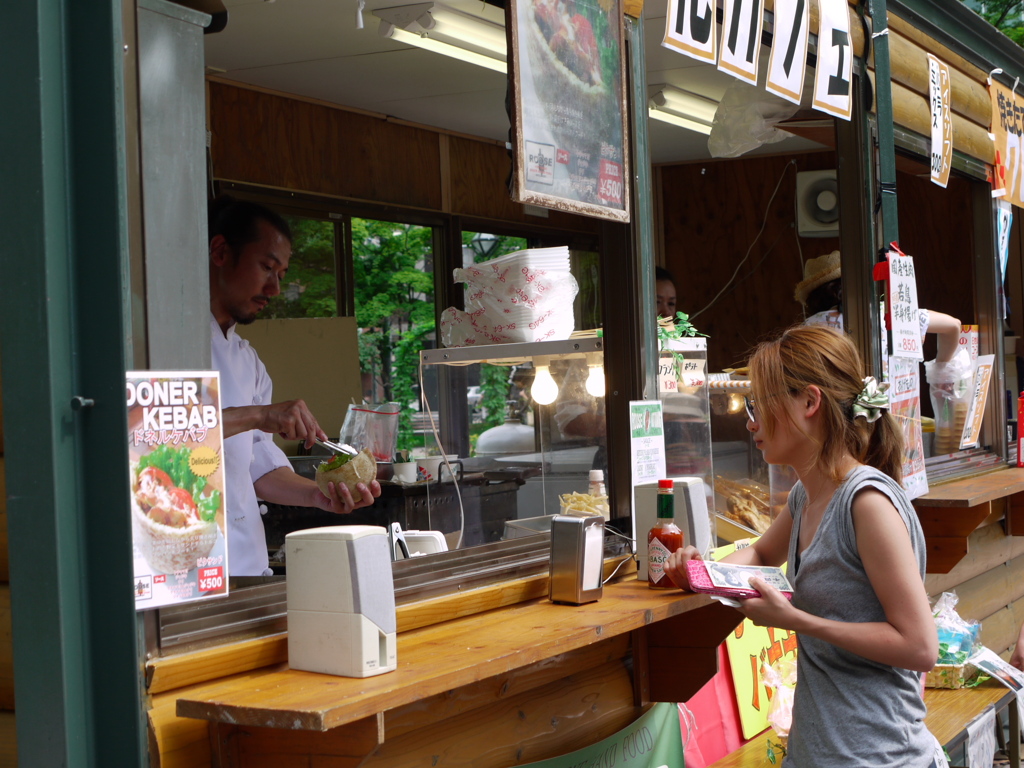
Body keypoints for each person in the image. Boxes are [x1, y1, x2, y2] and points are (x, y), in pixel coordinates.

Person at [664, 325, 938, 768]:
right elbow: (759, 554)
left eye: (758, 404)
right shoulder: (806, 494)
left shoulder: (865, 502)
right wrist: (703, 574)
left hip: (882, 757)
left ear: (810, 402)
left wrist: (798, 621)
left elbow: (920, 647)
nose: (749, 420)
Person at [208, 196, 381, 576]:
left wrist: (317, 497)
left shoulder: (248, 361)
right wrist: (259, 414)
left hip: (247, 569)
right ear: (220, 251)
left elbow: (257, 467)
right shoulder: (160, 343)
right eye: (266, 267)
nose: (274, 288)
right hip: (188, 574)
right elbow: (159, 433)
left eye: (281, 275)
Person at [794, 250, 961, 363]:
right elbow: (953, 325)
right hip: (898, 408)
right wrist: (941, 369)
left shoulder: (804, 332)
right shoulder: (890, 314)